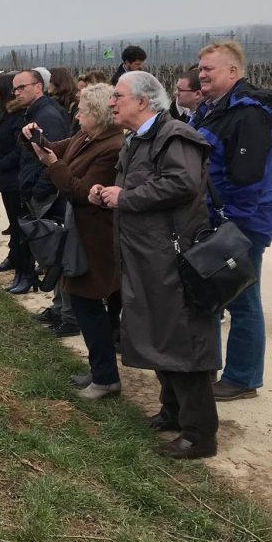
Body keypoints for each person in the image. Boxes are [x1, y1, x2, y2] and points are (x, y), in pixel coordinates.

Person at [91, 71, 218, 458]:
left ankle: (200, 435)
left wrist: (125, 195)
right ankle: (173, 412)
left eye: (118, 96)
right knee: (160, 334)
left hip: (172, 257)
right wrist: (108, 196)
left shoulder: (173, 136)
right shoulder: (138, 140)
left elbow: (181, 183)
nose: (112, 102)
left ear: (143, 101)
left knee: (183, 340)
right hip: (147, 256)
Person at [193, 41, 272, 401]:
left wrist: (229, 221)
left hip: (241, 222)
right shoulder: (211, 109)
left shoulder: (249, 114)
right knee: (213, 295)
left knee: (241, 299)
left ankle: (243, 378)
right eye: (200, 69)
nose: (201, 74)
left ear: (233, 72)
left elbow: (247, 177)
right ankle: (209, 366)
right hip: (217, 218)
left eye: (209, 69)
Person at [25, 83, 124, 395]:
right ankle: (100, 371)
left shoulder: (112, 147)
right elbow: (57, 146)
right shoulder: (87, 136)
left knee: (88, 302)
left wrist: (52, 165)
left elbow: (83, 193)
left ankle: (106, 378)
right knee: (84, 303)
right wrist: (33, 136)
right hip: (81, 234)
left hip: (97, 239)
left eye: (83, 111)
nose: (77, 116)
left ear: (98, 114)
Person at [9, 68, 73, 294]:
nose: (16, 92)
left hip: (46, 194)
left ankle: (62, 307)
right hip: (36, 188)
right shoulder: (35, 112)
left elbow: (52, 157)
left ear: (38, 87)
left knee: (51, 250)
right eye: (14, 88)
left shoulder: (47, 116)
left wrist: (39, 191)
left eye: (21, 87)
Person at [0, 72, 27, 273]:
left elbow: (20, 147)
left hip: (14, 177)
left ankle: (19, 261)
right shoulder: (4, 112)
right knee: (13, 221)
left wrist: (1, 162)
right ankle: (15, 257)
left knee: (17, 221)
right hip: (5, 175)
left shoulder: (17, 115)